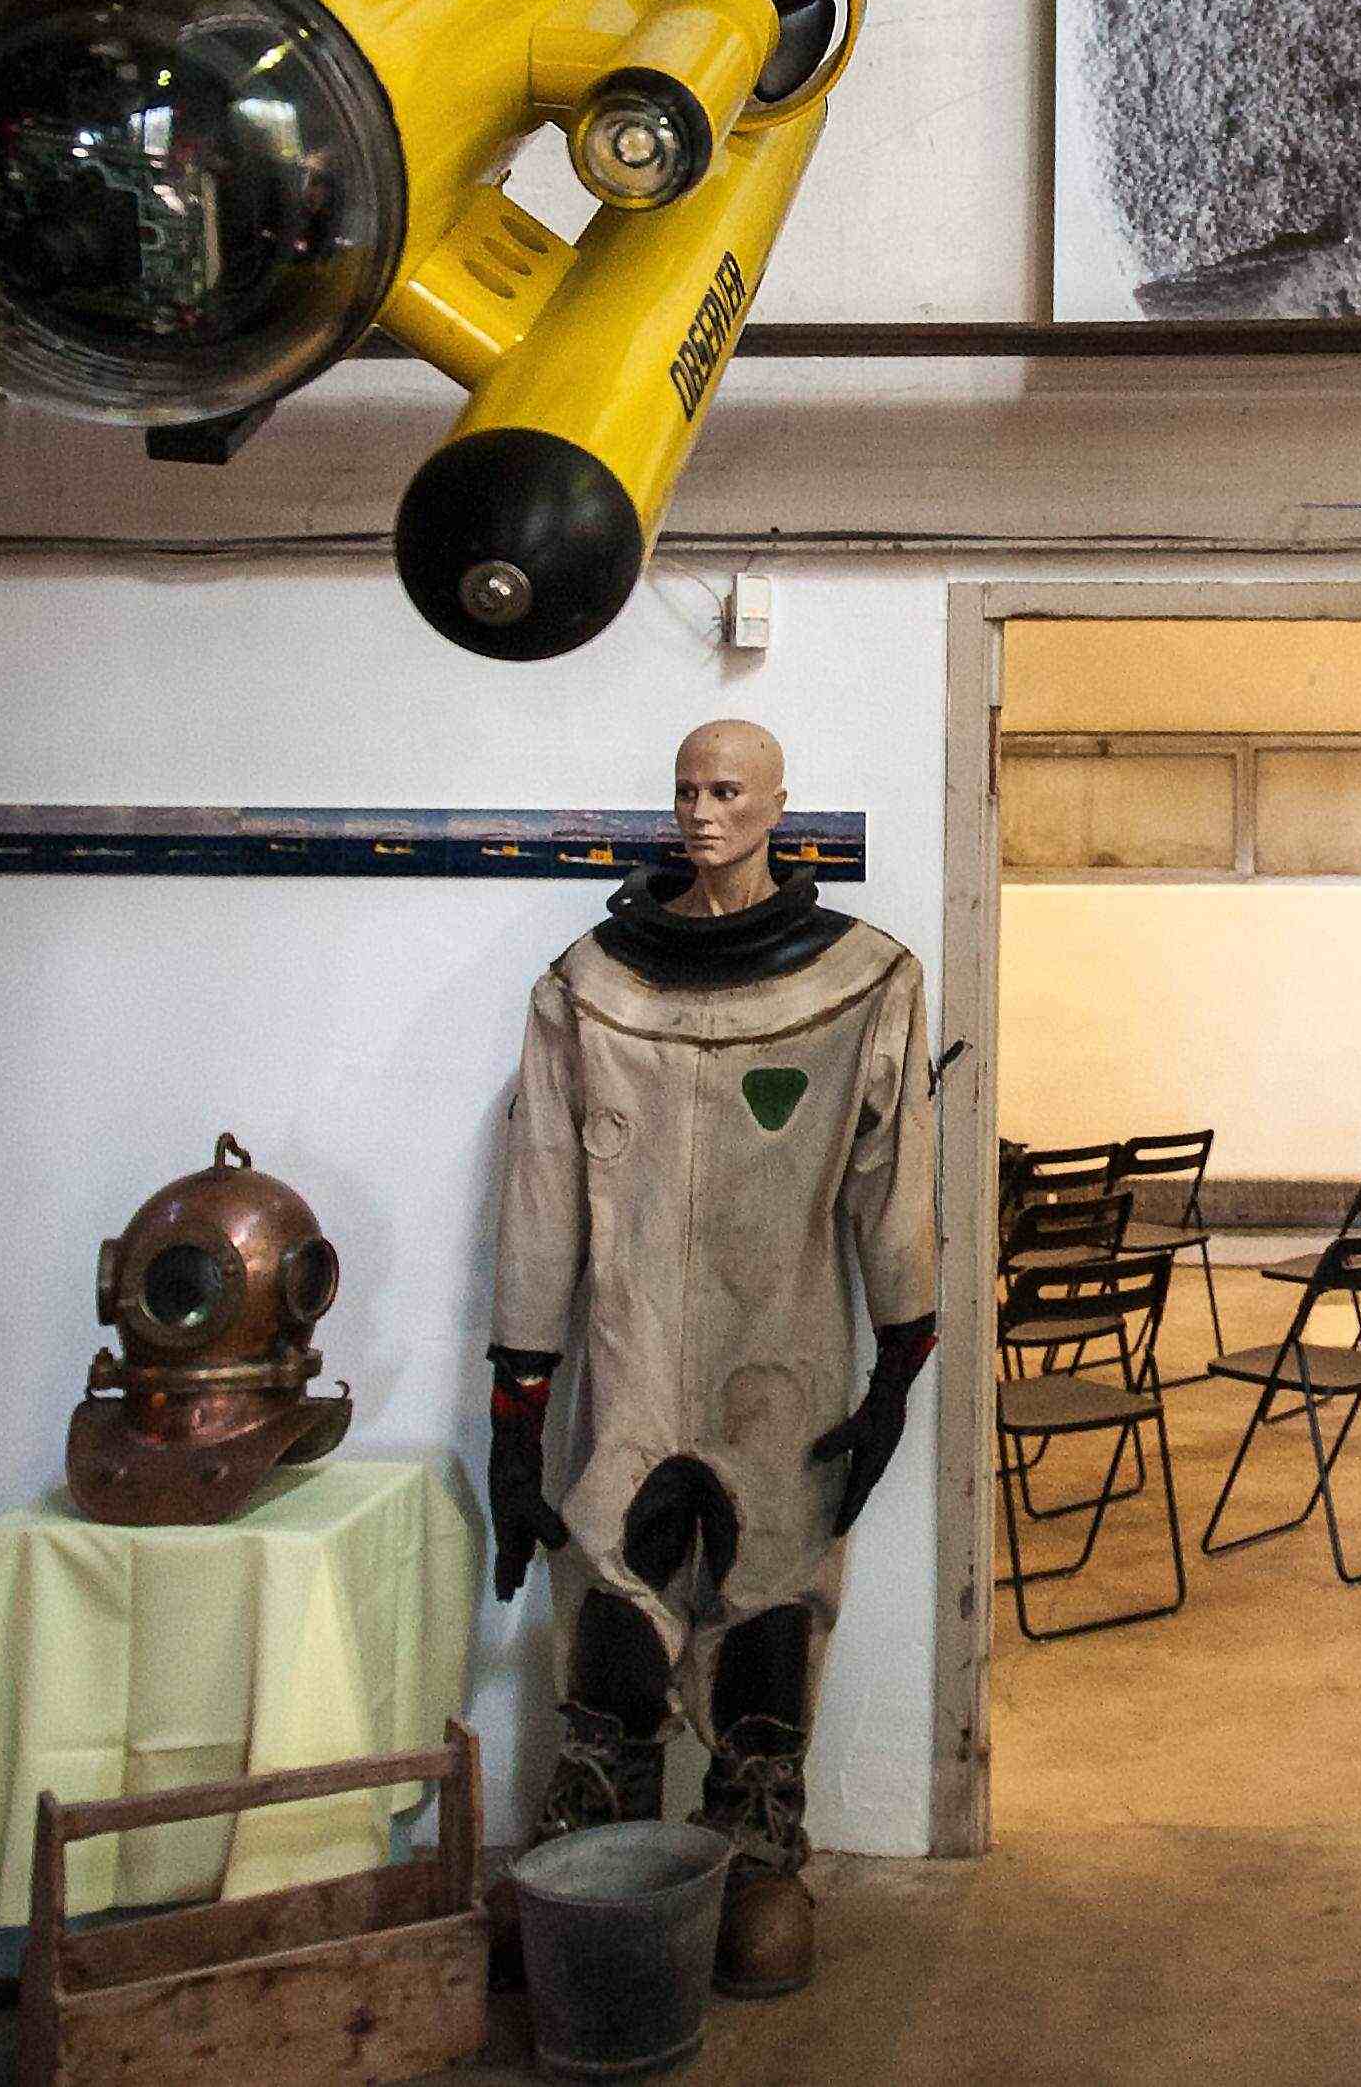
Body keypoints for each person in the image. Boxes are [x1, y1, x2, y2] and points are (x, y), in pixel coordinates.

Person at [487, 718, 936, 2001]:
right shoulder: (589, 988)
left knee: (771, 1598)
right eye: (684, 789)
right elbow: (541, 1200)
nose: (700, 811)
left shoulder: (860, 984)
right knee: (611, 1594)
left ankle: (756, 1841)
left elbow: (895, 1186)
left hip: (777, 1370)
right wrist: (518, 1422)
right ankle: (598, 1824)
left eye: (727, 789)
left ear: (778, 805)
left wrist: (895, 1377)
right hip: (628, 1367)